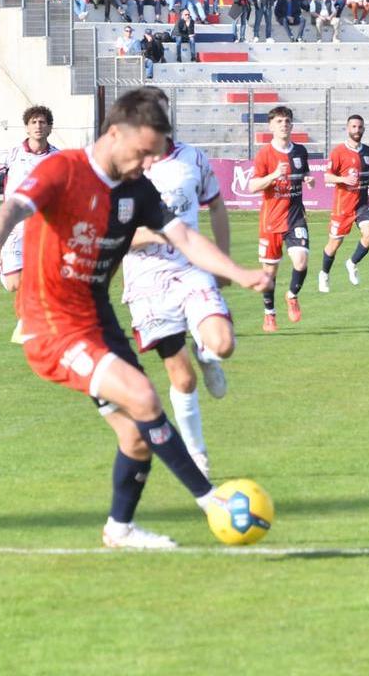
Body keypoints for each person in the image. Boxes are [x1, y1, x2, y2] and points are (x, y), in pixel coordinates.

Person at [0, 89, 270, 549]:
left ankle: (120, 529)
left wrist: (239, 273)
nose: (148, 163)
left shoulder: (136, 190)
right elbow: (11, 209)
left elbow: (185, 238)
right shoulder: (63, 170)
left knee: (135, 438)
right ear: (115, 134)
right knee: (144, 396)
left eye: (154, 155)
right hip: (51, 325)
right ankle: (212, 501)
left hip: (97, 322)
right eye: (142, 152)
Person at [121, 88, 235, 478]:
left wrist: (222, 259)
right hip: (146, 281)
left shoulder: (193, 158)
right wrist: (154, 235)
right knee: (180, 378)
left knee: (223, 343)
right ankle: (198, 457)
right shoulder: (125, 169)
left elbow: (216, 205)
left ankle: (208, 355)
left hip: (191, 268)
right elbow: (114, 232)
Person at [0, 105, 59, 321]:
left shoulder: (59, 158)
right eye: (33, 122)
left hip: (45, 227)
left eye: (42, 122)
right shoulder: (11, 155)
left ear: (50, 127)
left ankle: (32, 321)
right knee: (13, 284)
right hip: (15, 228)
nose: (38, 126)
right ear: (26, 128)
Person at [249, 106, 316, 332]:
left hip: (296, 217)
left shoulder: (300, 151)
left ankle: (292, 295)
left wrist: (308, 179)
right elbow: (252, 186)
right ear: (271, 126)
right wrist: (274, 175)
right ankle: (269, 314)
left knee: (301, 260)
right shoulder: (264, 155)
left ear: (292, 125)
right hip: (271, 221)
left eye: (287, 121)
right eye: (279, 121)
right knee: (269, 273)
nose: (284, 125)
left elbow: (304, 172)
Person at [319, 115, 369, 293]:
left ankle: (352, 263)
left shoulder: (368, 151)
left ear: (363, 129)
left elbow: (365, 174)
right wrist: (344, 179)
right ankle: (324, 274)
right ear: (348, 129)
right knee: (334, 245)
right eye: (354, 127)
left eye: (360, 127)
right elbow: (327, 177)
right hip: (343, 206)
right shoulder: (338, 152)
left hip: (361, 204)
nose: (357, 130)